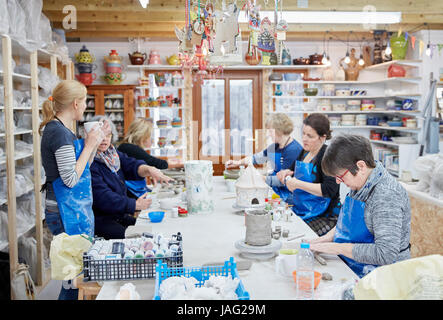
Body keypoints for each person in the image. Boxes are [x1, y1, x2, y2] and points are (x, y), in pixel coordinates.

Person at [40, 80, 109, 300]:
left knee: (75, 276)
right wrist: (88, 145)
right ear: (76, 103)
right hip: (63, 210)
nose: (87, 105)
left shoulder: (62, 130)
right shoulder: (59, 133)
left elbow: (81, 169)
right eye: (85, 101)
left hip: (67, 207)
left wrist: (95, 144)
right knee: (74, 279)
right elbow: (70, 179)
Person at [307, 134, 411, 278]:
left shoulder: (386, 196)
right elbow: (348, 224)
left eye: (340, 176)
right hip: (357, 265)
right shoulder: (362, 182)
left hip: (386, 276)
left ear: (360, 166)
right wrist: (325, 238)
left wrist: (337, 248)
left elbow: (385, 254)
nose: (338, 182)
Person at [89, 117, 173, 240]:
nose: (104, 139)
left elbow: (131, 165)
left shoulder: (112, 154)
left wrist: (149, 169)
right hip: (102, 220)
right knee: (139, 239)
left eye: (108, 135)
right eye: (100, 135)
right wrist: (134, 204)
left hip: (118, 215)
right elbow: (103, 197)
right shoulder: (91, 162)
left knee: (151, 231)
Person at [277, 113, 341, 236]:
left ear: (322, 137)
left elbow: (329, 190)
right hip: (303, 209)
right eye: (304, 133)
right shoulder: (305, 151)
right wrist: (286, 172)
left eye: (310, 136)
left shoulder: (329, 156)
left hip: (324, 215)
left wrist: (298, 184)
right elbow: (292, 170)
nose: (304, 139)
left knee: (298, 235)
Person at [225, 113, 303, 204]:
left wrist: (261, 178)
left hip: (289, 196)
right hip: (277, 191)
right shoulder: (275, 146)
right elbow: (256, 158)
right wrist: (238, 162)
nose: (268, 134)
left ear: (279, 131)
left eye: (270, 131)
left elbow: (283, 180)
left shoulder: (293, 150)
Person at [117, 117, 183, 197]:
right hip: (129, 193)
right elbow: (154, 162)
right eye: (149, 135)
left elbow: (148, 160)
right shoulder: (128, 148)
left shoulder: (127, 146)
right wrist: (180, 164)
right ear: (142, 136)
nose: (150, 139)